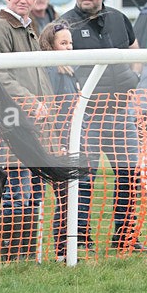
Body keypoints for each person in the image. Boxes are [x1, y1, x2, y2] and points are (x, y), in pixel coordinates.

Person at [60, 0, 147, 253]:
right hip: (87, 114)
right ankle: (80, 240)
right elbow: (59, 63)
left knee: (129, 176)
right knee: (84, 179)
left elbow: (136, 49)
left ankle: (125, 238)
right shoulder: (64, 24)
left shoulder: (118, 18)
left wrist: (134, 76)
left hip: (121, 111)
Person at [0, 0, 54, 262]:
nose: (23, 0)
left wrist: (46, 104)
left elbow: (37, 73)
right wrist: (31, 102)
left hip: (33, 122)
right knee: (13, 192)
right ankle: (12, 257)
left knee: (30, 194)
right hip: (7, 124)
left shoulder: (29, 29)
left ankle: (25, 257)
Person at [38, 20, 94, 260]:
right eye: (63, 43)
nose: (69, 47)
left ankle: (71, 245)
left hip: (75, 139)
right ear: (51, 46)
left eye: (71, 42)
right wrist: (58, 142)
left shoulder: (69, 70)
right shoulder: (53, 72)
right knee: (65, 198)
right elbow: (55, 111)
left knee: (74, 195)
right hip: (61, 142)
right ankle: (62, 250)